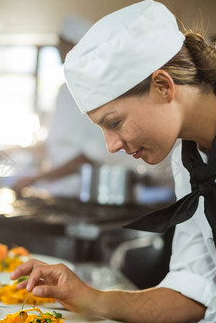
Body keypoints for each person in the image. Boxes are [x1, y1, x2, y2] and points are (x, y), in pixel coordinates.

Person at [11, 0, 216, 323]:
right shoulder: (189, 164)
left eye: (114, 122)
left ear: (163, 86)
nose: (111, 146)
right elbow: (192, 291)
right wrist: (88, 297)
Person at [13, 14, 137, 197]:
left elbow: (90, 156)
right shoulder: (65, 89)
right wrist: (17, 150)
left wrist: (35, 178)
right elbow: (55, 143)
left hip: (84, 191)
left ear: (77, 48)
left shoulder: (101, 91)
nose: (59, 49)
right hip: (55, 190)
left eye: (63, 43)